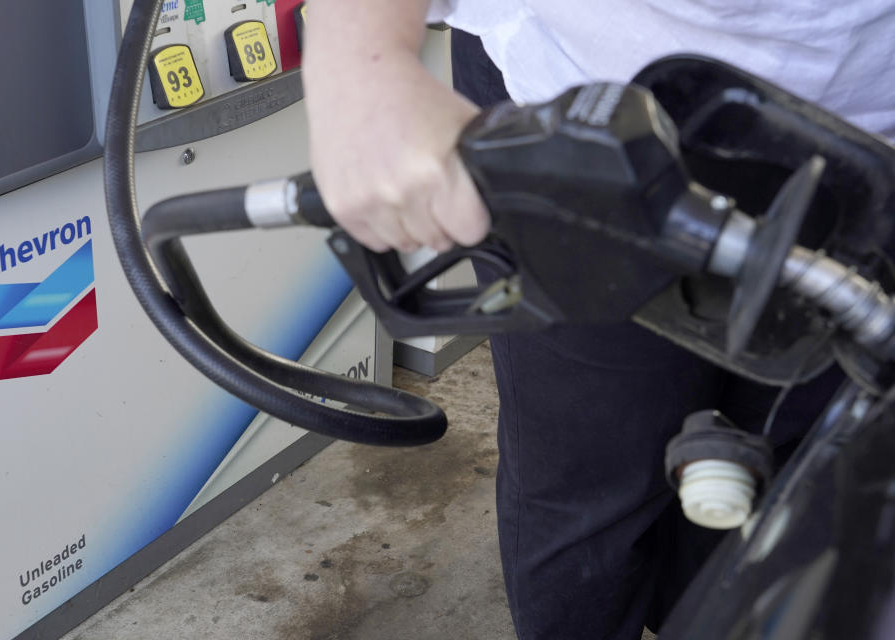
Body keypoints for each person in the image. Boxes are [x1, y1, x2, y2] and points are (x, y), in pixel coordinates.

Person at [302, 2, 895, 638]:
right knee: (586, 491)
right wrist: (358, 57)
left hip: (864, 143)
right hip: (579, 114)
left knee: (794, 472)